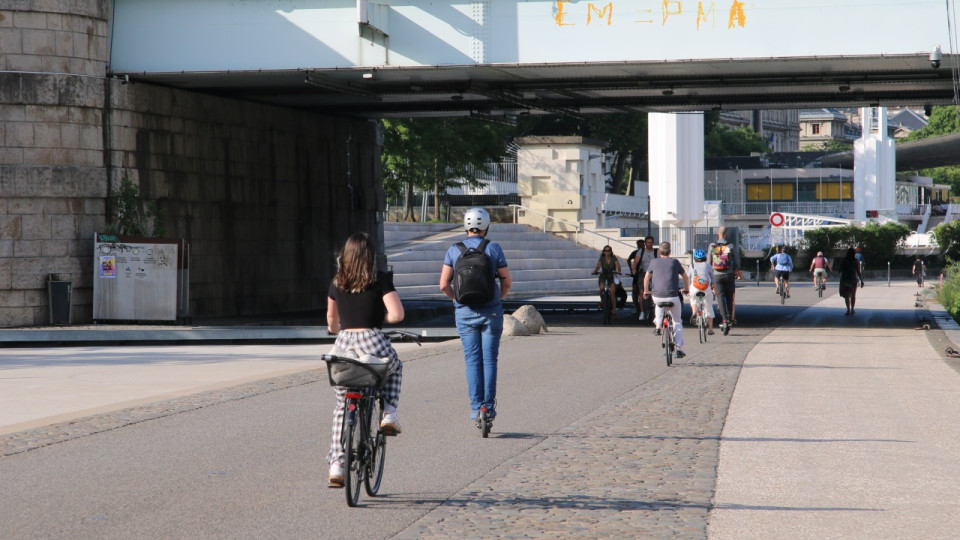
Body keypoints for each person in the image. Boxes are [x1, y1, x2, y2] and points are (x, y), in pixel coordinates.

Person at [326, 232, 405, 487]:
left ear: (345, 255)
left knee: (341, 404)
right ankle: (389, 413)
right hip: (372, 340)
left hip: (343, 344)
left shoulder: (337, 282)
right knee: (394, 367)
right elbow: (397, 315)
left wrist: (340, 329)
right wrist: (379, 317)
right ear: (370, 255)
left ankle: (337, 464)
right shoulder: (379, 280)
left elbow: (331, 322)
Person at [439, 207, 512, 426]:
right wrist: (498, 298)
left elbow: (443, 284)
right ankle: (487, 409)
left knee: (472, 361)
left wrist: (456, 299)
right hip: (491, 311)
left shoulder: (454, 250)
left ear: (466, 226)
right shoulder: (494, 248)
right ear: (487, 227)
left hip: (464, 313)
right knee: (489, 360)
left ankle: (475, 410)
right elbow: (506, 281)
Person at [644, 242, 691, 358]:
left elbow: (646, 277)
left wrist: (646, 291)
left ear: (658, 252)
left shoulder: (654, 262)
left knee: (658, 304)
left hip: (657, 295)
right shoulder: (675, 262)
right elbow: (685, 276)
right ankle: (679, 349)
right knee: (677, 321)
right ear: (670, 252)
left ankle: (658, 326)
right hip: (673, 296)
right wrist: (686, 289)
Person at [709, 226, 741, 334]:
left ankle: (723, 319)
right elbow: (737, 260)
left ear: (718, 234)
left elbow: (709, 261)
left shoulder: (712, 246)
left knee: (720, 297)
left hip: (717, 275)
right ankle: (729, 318)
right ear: (726, 234)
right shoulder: (730, 246)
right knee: (729, 297)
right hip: (729, 274)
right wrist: (736, 270)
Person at [630, 236, 659, 325]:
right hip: (643, 273)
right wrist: (634, 269)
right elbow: (635, 261)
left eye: (651, 242)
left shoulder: (656, 252)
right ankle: (642, 312)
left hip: (654, 273)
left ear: (653, 243)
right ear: (645, 243)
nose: (649, 244)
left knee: (657, 291)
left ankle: (657, 310)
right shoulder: (641, 251)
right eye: (647, 242)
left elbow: (661, 261)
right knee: (642, 291)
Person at [688, 249, 716, 335]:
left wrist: (688, 291)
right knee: (708, 306)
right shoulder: (708, 266)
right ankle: (710, 329)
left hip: (695, 287)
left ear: (695, 258)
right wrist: (714, 289)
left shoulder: (691, 266)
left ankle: (694, 312)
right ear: (705, 258)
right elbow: (713, 279)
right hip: (706, 287)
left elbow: (689, 279)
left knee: (693, 299)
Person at [592, 245, 622, 318]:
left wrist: (619, 271)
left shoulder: (614, 258)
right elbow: (598, 266)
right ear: (603, 252)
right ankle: (602, 300)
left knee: (612, 292)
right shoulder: (602, 258)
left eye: (609, 251)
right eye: (606, 251)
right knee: (601, 288)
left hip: (611, 275)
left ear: (611, 252)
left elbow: (618, 265)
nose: (607, 252)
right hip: (604, 275)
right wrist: (595, 271)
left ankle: (614, 310)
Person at [838, 247, 864, 315]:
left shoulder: (844, 260)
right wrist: (861, 280)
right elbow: (858, 271)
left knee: (846, 295)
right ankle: (852, 309)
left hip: (845, 279)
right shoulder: (855, 261)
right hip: (852, 279)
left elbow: (839, 270)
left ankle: (848, 310)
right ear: (854, 254)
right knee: (853, 295)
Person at [626, 239, 643, 316]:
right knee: (635, 290)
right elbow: (628, 260)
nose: (640, 246)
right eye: (638, 245)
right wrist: (631, 269)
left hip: (646, 273)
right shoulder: (635, 252)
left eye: (641, 244)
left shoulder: (647, 252)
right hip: (637, 274)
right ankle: (636, 307)